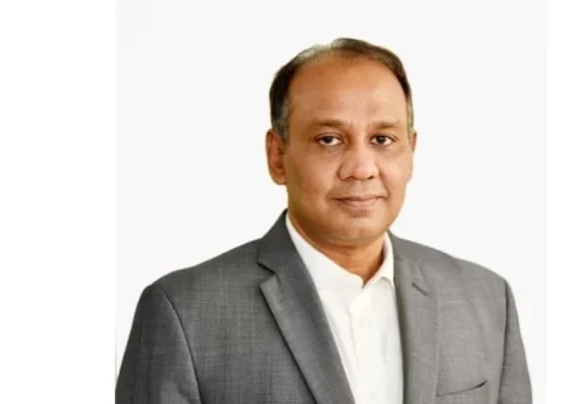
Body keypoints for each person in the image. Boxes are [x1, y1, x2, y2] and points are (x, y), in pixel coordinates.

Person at [116, 37, 532, 404]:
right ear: (277, 156)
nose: (361, 168)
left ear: (411, 152)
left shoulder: (485, 300)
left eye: (383, 139)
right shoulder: (184, 314)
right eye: (329, 139)